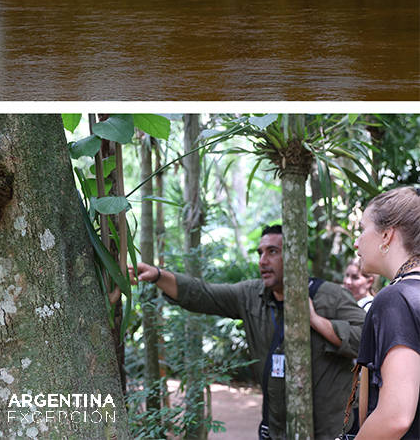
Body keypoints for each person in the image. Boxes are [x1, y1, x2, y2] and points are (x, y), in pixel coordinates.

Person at [129, 225, 365, 440]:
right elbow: (203, 294)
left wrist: (315, 320)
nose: (263, 261)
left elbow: (366, 339)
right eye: (260, 253)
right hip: (277, 431)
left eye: (273, 252)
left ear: (295, 256)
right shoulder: (252, 295)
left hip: (329, 432)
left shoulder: (331, 296)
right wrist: (157, 275)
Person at [351, 186, 420, 439]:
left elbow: (395, 417)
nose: (356, 242)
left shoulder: (396, 299)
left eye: (362, 229)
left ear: (387, 235)